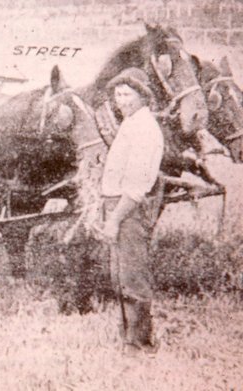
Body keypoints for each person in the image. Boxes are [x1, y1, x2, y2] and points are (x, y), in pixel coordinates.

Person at [99, 67, 164, 355]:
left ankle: (140, 343)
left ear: (142, 97)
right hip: (119, 205)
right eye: (117, 95)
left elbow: (136, 186)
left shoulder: (145, 128)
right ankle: (130, 338)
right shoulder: (131, 123)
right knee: (120, 275)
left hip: (129, 210)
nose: (121, 101)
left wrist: (114, 219)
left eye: (127, 94)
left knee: (133, 276)